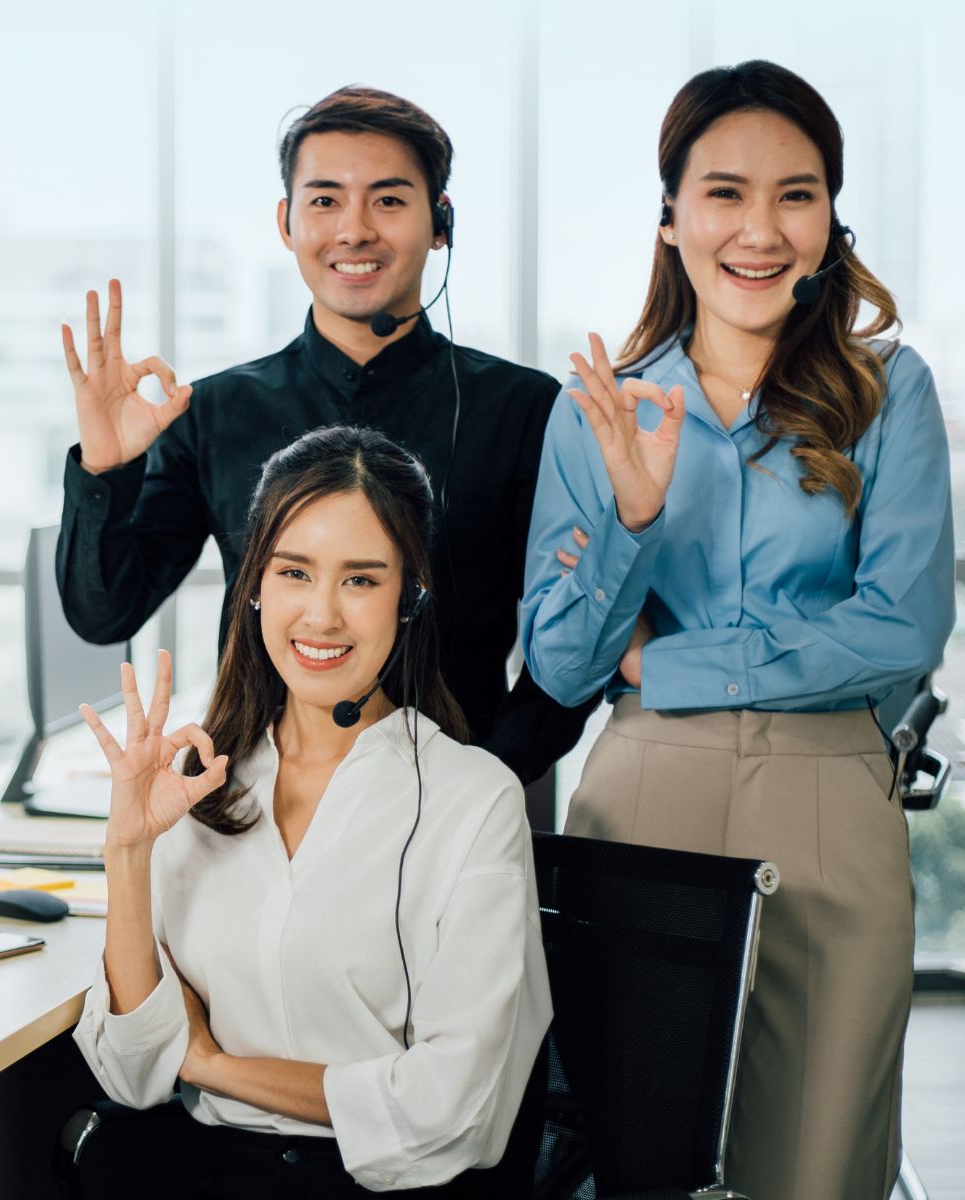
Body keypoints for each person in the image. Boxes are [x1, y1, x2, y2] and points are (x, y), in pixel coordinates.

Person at [521, 60, 953, 1199]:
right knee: (640, 1163)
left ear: (827, 220)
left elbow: (901, 630)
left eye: (794, 194)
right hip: (640, 804)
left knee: (815, 1167)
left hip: (827, 799)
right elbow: (562, 664)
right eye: (723, 192)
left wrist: (664, 663)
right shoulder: (596, 411)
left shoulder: (887, 392)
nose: (758, 229)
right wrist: (633, 516)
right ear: (669, 220)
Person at [57, 85, 596, 790]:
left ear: (440, 223)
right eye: (325, 200)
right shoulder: (215, 410)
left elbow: (576, 646)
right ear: (286, 222)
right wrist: (105, 466)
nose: (354, 229)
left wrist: (481, 782)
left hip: (456, 815)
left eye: (389, 200)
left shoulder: (524, 409)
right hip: (255, 807)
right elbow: (105, 615)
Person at [70, 426, 551, 1198]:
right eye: (295, 572)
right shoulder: (198, 784)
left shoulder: (473, 800)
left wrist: (210, 1066)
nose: (321, 616)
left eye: (361, 580)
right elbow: (130, 1075)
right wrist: (127, 851)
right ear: (256, 583)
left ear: (410, 597)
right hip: (203, 1178)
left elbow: (451, 1110)